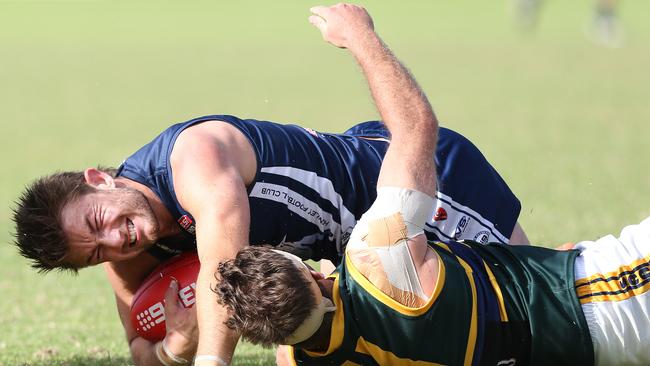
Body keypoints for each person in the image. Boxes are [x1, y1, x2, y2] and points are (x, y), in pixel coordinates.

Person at [12, 4, 528, 366]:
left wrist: (209, 358)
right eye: (95, 254)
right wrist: (176, 345)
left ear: (98, 180)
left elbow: (222, 270)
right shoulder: (123, 248)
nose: (115, 242)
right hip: (361, 252)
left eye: (98, 223)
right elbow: (141, 350)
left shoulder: (193, 160)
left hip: (408, 180)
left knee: (531, 313)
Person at [215, 9, 648, 366]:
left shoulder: (299, 360)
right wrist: (360, 38)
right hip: (604, 301)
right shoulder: (378, 258)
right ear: (312, 271)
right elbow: (416, 127)